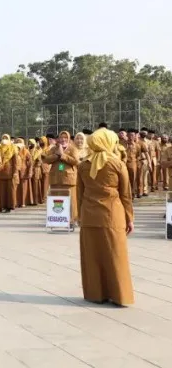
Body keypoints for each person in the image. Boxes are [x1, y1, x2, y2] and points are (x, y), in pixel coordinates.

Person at [77, 128, 134, 306]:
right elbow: (125, 194)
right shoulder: (116, 163)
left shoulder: (83, 165)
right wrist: (129, 217)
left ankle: (96, 294)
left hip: (89, 214)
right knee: (115, 255)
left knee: (92, 256)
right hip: (112, 214)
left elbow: (79, 193)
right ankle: (120, 295)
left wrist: (80, 215)